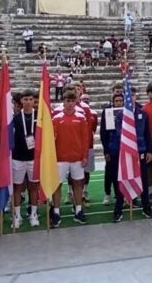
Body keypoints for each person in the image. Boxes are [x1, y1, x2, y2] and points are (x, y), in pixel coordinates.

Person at [108, 86, 152, 222]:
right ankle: (118, 210)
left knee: (143, 180)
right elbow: (116, 134)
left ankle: (146, 207)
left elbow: (147, 134)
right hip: (124, 152)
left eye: (133, 95)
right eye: (128, 95)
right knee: (122, 179)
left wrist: (149, 150)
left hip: (140, 151)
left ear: (136, 97)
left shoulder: (143, 114)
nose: (131, 98)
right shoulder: (119, 115)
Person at [50, 91, 91, 227]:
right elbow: (51, 139)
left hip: (77, 158)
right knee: (57, 185)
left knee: (78, 185)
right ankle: (56, 212)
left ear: (75, 102)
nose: (69, 103)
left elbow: (85, 139)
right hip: (60, 159)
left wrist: (85, 156)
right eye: (67, 101)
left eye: (72, 101)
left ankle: (78, 210)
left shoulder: (81, 118)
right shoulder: (56, 118)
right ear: (63, 102)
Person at [10, 92, 41, 229]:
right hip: (18, 157)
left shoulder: (40, 117)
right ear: (21, 101)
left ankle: (33, 214)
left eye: (31, 99)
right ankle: (17, 216)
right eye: (25, 99)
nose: (28, 102)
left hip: (34, 157)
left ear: (34, 101)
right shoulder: (15, 118)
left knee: (33, 187)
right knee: (17, 187)